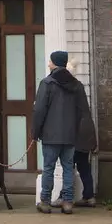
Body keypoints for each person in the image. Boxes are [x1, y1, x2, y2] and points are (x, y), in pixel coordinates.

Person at [32, 49, 92, 214]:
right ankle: (67, 202)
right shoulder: (77, 85)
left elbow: (40, 111)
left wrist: (35, 132)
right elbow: (83, 111)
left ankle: (44, 201)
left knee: (49, 168)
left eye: (50, 61)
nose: (48, 63)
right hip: (70, 135)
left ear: (54, 63)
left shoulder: (47, 83)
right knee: (67, 169)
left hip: (50, 135)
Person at [73, 103, 99, 208]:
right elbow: (91, 129)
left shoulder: (71, 110)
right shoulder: (86, 112)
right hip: (85, 144)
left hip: (74, 144)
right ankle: (89, 197)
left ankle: (64, 196)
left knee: (68, 169)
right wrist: (93, 145)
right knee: (85, 169)